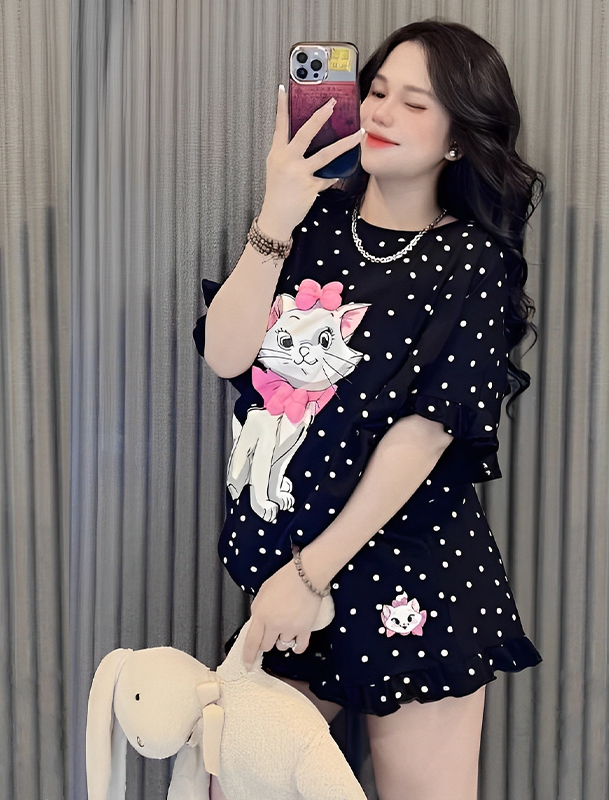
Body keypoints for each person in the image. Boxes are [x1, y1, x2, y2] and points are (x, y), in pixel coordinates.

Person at [195, 20, 545, 800]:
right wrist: (276, 213)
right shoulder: (310, 223)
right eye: (377, 90)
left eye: (415, 103)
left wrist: (308, 575)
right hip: (288, 580)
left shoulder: (472, 261)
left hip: (409, 577)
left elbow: (425, 436)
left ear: (459, 139)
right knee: (236, 784)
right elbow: (225, 355)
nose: (383, 112)